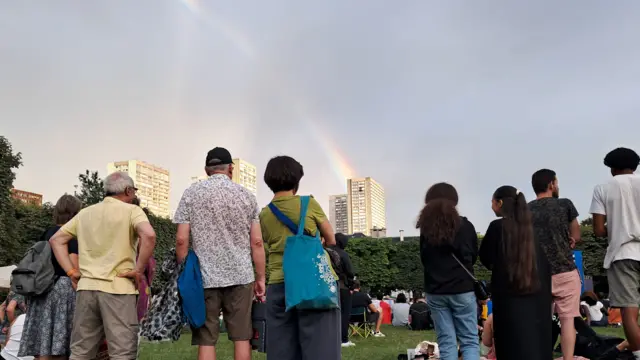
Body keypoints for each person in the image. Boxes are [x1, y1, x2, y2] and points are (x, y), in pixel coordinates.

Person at [49, 172, 156, 360]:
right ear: (128, 190)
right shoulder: (132, 211)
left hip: (86, 289)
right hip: (118, 288)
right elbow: (149, 235)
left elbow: (56, 240)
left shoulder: (85, 213)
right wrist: (138, 270)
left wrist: (71, 271)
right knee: (122, 352)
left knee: (81, 351)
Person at [174, 147, 266, 360]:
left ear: (207, 169)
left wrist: (184, 270)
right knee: (242, 336)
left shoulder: (191, 193)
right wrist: (260, 278)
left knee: (206, 338)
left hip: (204, 278)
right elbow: (257, 242)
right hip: (241, 275)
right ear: (230, 169)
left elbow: (181, 239)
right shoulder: (246, 196)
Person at [259, 155, 340, 360]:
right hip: (314, 282)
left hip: (279, 283)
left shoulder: (265, 214)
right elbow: (331, 238)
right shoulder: (309, 203)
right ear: (297, 180)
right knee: (322, 349)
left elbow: (265, 244)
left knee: (281, 351)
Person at [479, 185, 552, 360]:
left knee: (510, 341)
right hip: (537, 294)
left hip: (508, 295)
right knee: (535, 341)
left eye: (492, 202)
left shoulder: (498, 227)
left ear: (500, 202)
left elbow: (486, 257)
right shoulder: (532, 229)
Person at [418, 182, 479, 360]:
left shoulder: (426, 229)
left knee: (446, 341)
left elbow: (424, 259)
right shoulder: (466, 226)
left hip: (435, 290)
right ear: (454, 201)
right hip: (462, 288)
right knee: (469, 340)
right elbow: (472, 256)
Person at [590, 147, 640, 359]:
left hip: (622, 253)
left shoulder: (603, 188)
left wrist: (620, 225)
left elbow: (599, 230)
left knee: (629, 311)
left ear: (612, 169)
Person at [19, 195, 82, 360]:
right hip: (62, 289)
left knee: (42, 344)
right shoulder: (70, 236)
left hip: (40, 288)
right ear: (75, 213)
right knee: (59, 345)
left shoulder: (46, 233)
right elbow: (74, 266)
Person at [528, 169, 581, 360]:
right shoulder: (565, 204)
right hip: (565, 270)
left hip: (537, 273)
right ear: (551, 184)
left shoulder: (526, 209)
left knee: (539, 321)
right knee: (567, 322)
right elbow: (576, 236)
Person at [332, 233, 356, 348]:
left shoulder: (327, 251)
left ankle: (332, 338)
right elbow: (350, 272)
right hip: (343, 286)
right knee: (345, 314)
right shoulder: (343, 254)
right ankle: (344, 339)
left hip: (329, 286)